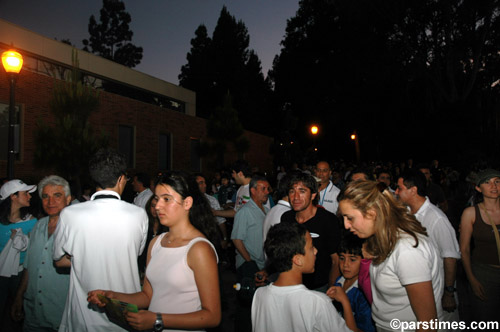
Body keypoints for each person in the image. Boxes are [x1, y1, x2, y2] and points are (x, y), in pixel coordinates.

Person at [88, 171, 221, 332]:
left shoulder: (199, 249)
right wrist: (112, 296)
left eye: (166, 199)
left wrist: (158, 319)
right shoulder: (156, 243)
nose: (157, 206)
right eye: (157, 199)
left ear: (187, 203)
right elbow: (147, 296)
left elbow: (212, 316)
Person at [52, 148, 149, 331]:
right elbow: (134, 254)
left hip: (83, 316)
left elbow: (58, 260)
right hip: (124, 314)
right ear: (121, 179)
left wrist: (83, 258)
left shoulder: (70, 214)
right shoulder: (139, 214)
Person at [338, 180, 444, 332]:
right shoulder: (381, 239)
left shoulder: (407, 250)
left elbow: (427, 323)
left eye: (350, 218)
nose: (346, 225)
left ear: (371, 213)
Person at [251, 222, 355, 332]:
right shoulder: (317, 302)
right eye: (311, 247)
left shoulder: (259, 294)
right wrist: (345, 302)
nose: (316, 251)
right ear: (298, 260)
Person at [396, 169, 461, 322]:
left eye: (400, 188)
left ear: (413, 190)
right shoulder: (406, 213)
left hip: (438, 290)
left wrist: (449, 292)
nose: (396, 192)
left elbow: (450, 257)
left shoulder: (436, 219)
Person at [11, 175, 71, 332]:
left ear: (68, 199)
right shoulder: (38, 226)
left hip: (62, 314)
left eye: (57, 196)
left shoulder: (76, 229)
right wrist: (19, 297)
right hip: (33, 313)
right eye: (45, 197)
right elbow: (28, 266)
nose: (50, 202)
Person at [280, 172, 341, 292]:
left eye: (302, 191)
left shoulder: (328, 220)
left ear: (313, 195)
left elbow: (336, 260)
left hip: (319, 287)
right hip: (291, 285)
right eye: (292, 191)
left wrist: (331, 289)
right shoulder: (286, 218)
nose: (296, 197)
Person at [459, 169, 500, 325]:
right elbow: (464, 249)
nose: (494, 186)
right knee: (486, 321)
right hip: (485, 274)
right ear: (478, 188)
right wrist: (472, 280)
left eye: (497, 181)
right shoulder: (471, 213)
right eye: (487, 182)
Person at [0, 179, 37, 322]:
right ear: (13, 196)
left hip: (20, 275)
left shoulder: (32, 222)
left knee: (18, 314)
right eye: (25, 193)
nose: (30, 196)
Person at [332, 231, 374, 332]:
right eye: (342, 258)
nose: (345, 264)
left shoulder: (364, 293)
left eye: (352, 259)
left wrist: (344, 300)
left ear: (364, 261)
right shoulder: (339, 281)